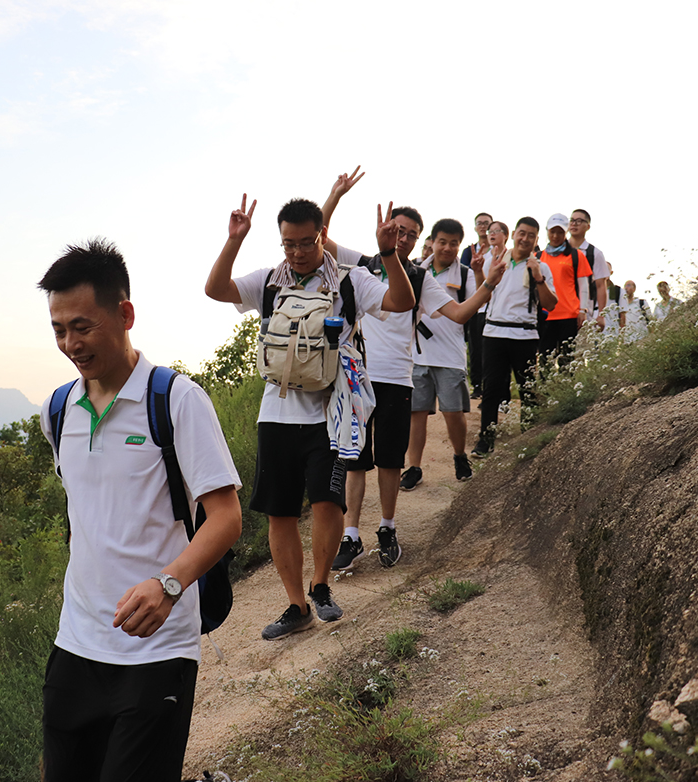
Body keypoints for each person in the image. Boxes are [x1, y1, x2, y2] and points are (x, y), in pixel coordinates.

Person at [38, 239, 243, 782]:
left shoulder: (176, 400)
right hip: (76, 644)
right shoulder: (58, 410)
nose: (70, 344)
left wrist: (169, 584)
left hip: (157, 652)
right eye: (58, 329)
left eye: (82, 326)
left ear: (124, 314)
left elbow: (225, 518)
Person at [205, 193, 414, 639]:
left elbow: (400, 302)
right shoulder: (268, 281)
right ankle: (296, 604)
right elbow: (216, 289)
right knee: (279, 513)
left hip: (332, 414)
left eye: (305, 242)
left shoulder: (352, 280)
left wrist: (389, 255)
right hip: (276, 414)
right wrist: (234, 240)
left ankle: (321, 587)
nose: (297, 253)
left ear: (322, 235)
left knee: (326, 500)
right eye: (288, 244)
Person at [321, 173, 504, 571]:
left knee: (389, 460)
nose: (402, 239)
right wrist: (335, 195)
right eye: (397, 231)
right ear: (385, 230)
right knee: (355, 460)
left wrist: (488, 283)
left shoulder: (420, 279)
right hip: (357, 378)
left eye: (410, 235)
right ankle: (351, 535)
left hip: (398, 378)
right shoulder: (362, 265)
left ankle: (387, 528)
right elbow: (318, 237)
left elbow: (458, 314)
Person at [402, 217, 485, 491]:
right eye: (442, 242)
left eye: (453, 243)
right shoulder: (415, 271)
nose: (447, 248)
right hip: (418, 355)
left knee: (453, 412)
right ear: (432, 243)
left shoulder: (465, 274)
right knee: (416, 414)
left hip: (450, 356)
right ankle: (414, 466)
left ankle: (459, 456)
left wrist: (482, 274)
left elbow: (479, 303)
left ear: (459, 245)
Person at [472, 217, 556, 458]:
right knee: (491, 391)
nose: (525, 238)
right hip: (494, 333)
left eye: (531, 235)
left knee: (528, 390)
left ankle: (530, 439)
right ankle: (485, 440)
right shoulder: (496, 260)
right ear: (515, 234)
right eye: (522, 233)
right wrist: (480, 272)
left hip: (525, 336)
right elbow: (484, 294)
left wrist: (538, 276)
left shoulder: (541, 267)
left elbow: (550, 303)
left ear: (536, 239)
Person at [538, 212, 591, 365]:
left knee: (567, 362)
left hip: (568, 314)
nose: (555, 236)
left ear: (566, 232)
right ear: (547, 232)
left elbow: (583, 285)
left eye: (560, 232)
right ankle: (546, 389)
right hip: (545, 315)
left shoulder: (576, 255)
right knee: (544, 361)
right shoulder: (538, 257)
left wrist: (583, 310)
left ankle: (567, 388)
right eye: (552, 231)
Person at [461, 212, 494, 398]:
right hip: (475, 306)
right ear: (475, 227)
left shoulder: (499, 251)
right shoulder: (468, 251)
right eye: (479, 223)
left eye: (486, 223)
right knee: (475, 348)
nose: (482, 226)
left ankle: (489, 386)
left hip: (493, 307)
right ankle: (477, 386)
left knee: (489, 349)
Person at [567, 209, 610, 330]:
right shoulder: (558, 250)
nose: (574, 224)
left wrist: (601, 315)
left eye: (579, 221)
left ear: (588, 226)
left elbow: (601, 286)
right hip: (558, 312)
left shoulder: (594, 254)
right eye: (572, 220)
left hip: (584, 314)